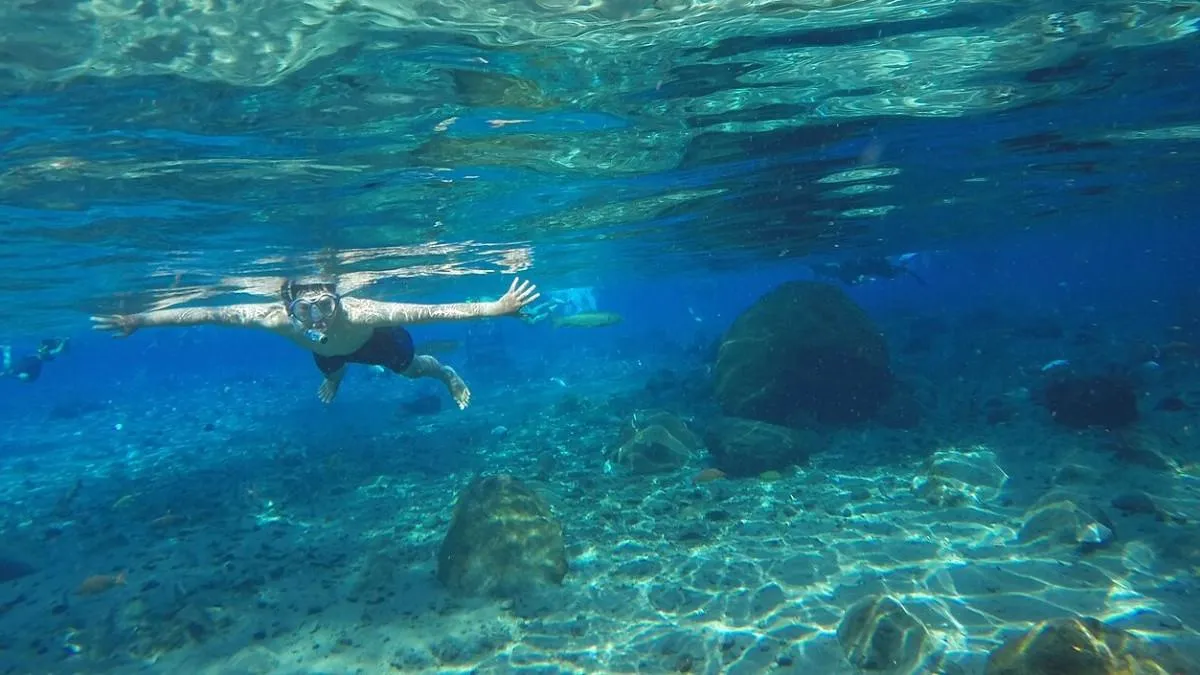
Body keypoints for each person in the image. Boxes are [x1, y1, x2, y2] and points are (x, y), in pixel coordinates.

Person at [90, 278, 539, 407]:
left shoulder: (363, 313)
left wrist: (496, 308)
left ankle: (447, 374)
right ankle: (336, 378)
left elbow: (434, 311)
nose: (317, 316)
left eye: (325, 304)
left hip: (375, 342)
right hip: (328, 352)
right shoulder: (272, 318)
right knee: (331, 364)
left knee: (414, 370)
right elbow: (206, 314)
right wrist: (138, 320)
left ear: (338, 299)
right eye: (305, 310)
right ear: (289, 308)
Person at [1, 338, 70, 383]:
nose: (42, 347)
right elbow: (57, 350)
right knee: (9, 369)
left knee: (9, 369)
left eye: (43, 347)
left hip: (30, 368)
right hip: (28, 366)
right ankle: (6, 350)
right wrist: (64, 341)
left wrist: (64, 341)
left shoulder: (43, 356)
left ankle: (6, 350)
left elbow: (57, 351)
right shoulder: (38, 356)